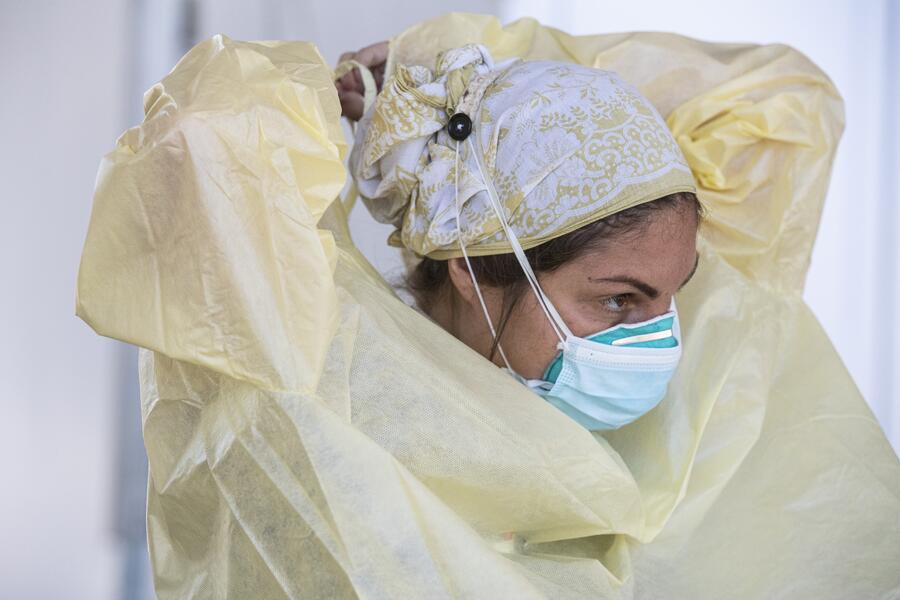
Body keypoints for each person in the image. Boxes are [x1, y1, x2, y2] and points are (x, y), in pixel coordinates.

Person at [75, 11, 900, 599]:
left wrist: (479, 66)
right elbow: (198, 141)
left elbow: (776, 103)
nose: (660, 346)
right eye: (617, 301)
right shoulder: (316, 400)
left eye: (667, 301)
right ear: (475, 267)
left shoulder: (679, 426)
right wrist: (346, 97)